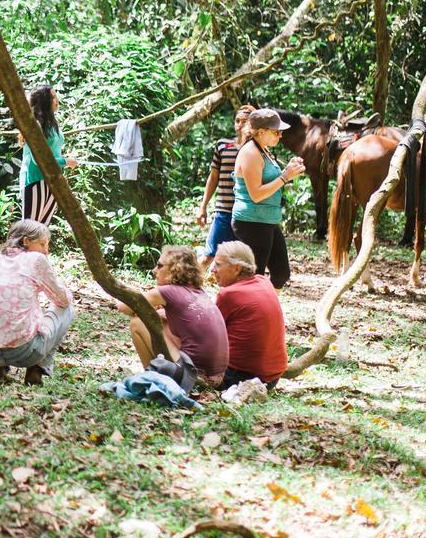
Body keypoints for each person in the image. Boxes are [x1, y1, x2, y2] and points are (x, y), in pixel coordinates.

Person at [0, 219, 75, 386]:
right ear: (26, 241)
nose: (46, 251)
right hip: (24, 352)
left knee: (4, 313)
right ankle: (36, 370)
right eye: (43, 244)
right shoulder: (36, 259)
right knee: (67, 309)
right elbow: (63, 300)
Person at [117, 245, 229, 387]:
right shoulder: (197, 291)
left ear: (174, 269)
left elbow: (124, 307)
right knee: (162, 319)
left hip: (192, 377)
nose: (154, 270)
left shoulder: (168, 291)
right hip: (217, 379)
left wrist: (140, 306)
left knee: (137, 323)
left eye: (159, 266)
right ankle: (158, 373)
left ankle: (151, 376)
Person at [232, 108, 304, 289]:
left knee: (281, 273)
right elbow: (256, 194)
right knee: (254, 278)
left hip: (268, 220)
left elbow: (272, 181)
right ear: (261, 132)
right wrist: (285, 177)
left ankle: (265, 310)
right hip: (251, 221)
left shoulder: (264, 151)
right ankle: (253, 314)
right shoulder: (250, 152)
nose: (280, 136)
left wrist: (289, 170)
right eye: (276, 132)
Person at [212, 241, 287, 390]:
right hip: (273, 378)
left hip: (240, 379)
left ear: (237, 268)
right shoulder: (264, 281)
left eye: (218, 265)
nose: (213, 269)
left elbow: (209, 335)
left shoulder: (228, 295)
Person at [196, 104, 256, 262]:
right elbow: (213, 177)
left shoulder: (257, 150)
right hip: (224, 211)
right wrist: (203, 207)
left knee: (245, 260)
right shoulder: (223, 145)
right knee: (209, 255)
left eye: (245, 121)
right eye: (237, 121)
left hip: (247, 214)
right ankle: (191, 285)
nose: (240, 125)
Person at [18, 85, 78, 225]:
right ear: (44, 101)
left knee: (41, 230)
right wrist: (65, 161)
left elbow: (53, 151)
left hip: (52, 181)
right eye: (53, 97)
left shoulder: (52, 124)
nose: (57, 100)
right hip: (34, 179)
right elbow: (38, 158)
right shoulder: (35, 125)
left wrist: (65, 162)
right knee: (29, 229)